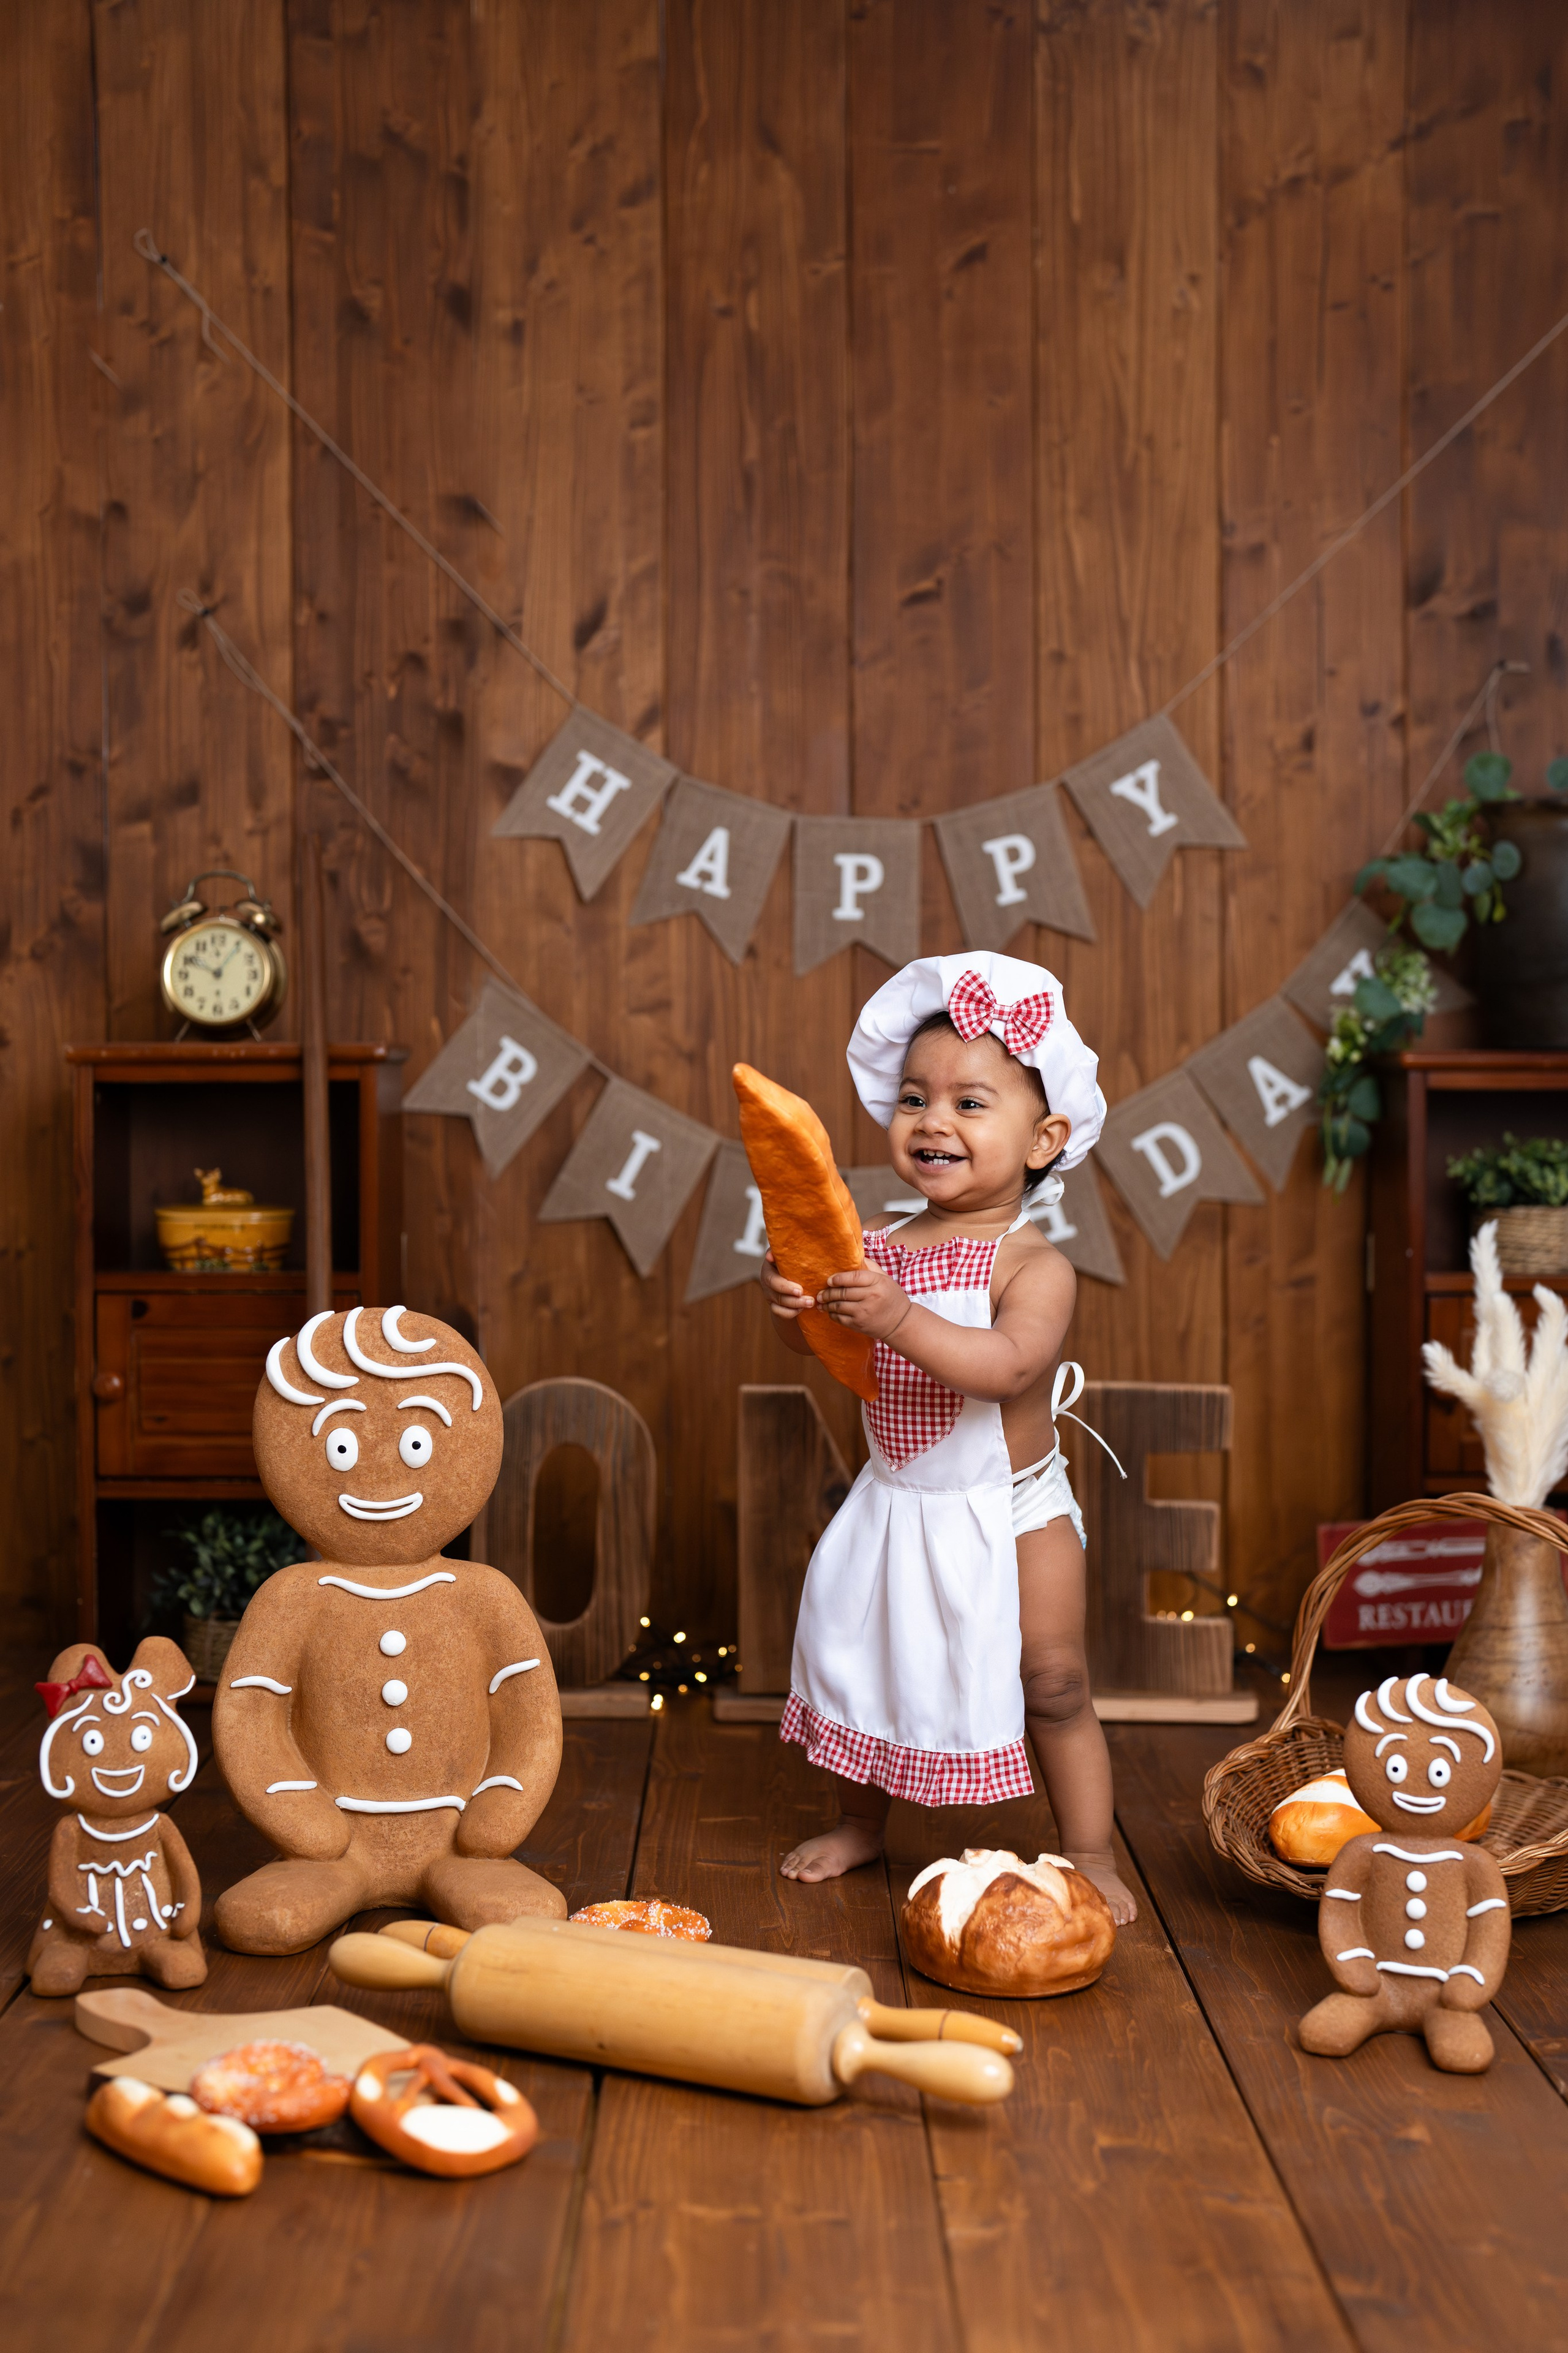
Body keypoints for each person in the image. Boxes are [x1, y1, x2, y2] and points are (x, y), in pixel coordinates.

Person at [762, 953, 1136, 1925]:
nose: (933, 1120)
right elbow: (840, 1349)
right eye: (915, 1098)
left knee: (1054, 1677)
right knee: (868, 1666)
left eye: (971, 1103)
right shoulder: (874, 1246)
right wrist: (801, 1308)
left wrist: (895, 1315)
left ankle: (1090, 1849)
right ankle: (861, 1822)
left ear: (1044, 1138)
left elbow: (1006, 1366)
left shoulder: (1033, 1264)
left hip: (1013, 1507)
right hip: (901, 1499)